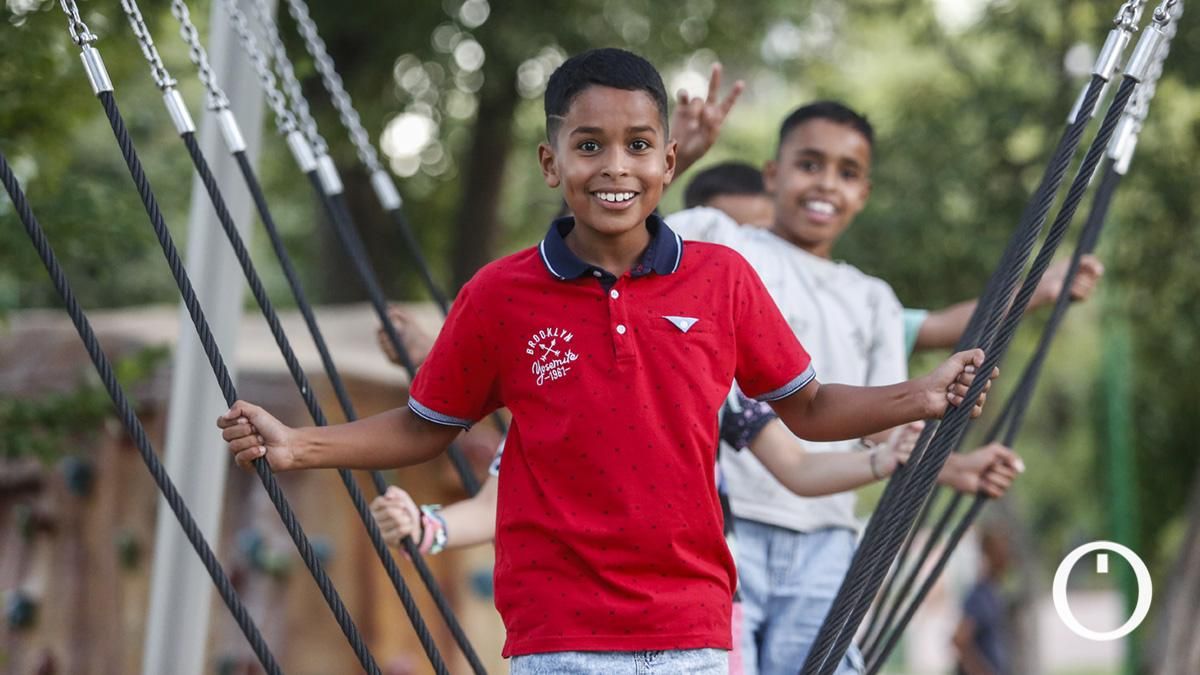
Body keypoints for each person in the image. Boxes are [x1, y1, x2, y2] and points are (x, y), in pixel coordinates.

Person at [218, 48, 997, 674]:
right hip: (558, 632)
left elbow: (812, 408)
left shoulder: (722, 279)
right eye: (589, 145)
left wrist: (921, 395)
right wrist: (297, 445)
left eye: (638, 146)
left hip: (689, 629)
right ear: (551, 162)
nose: (615, 166)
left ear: (668, 161)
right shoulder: (499, 295)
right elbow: (426, 425)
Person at [661, 93, 1036, 674]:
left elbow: (883, 431)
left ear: (864, 192)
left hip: (826, 534)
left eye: (847, 172)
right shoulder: (723, 244)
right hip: (723, 528)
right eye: (809, 164)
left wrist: (953, 464)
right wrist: (677, 157)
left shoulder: (872, 300)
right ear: (773, 175)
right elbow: (620, 233)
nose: (826, 184)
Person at [952, 525, 1012, 675]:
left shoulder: (994, 592)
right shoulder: (980, 596)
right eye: (1001, 552)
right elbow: (959, 639)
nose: (1006, 557)